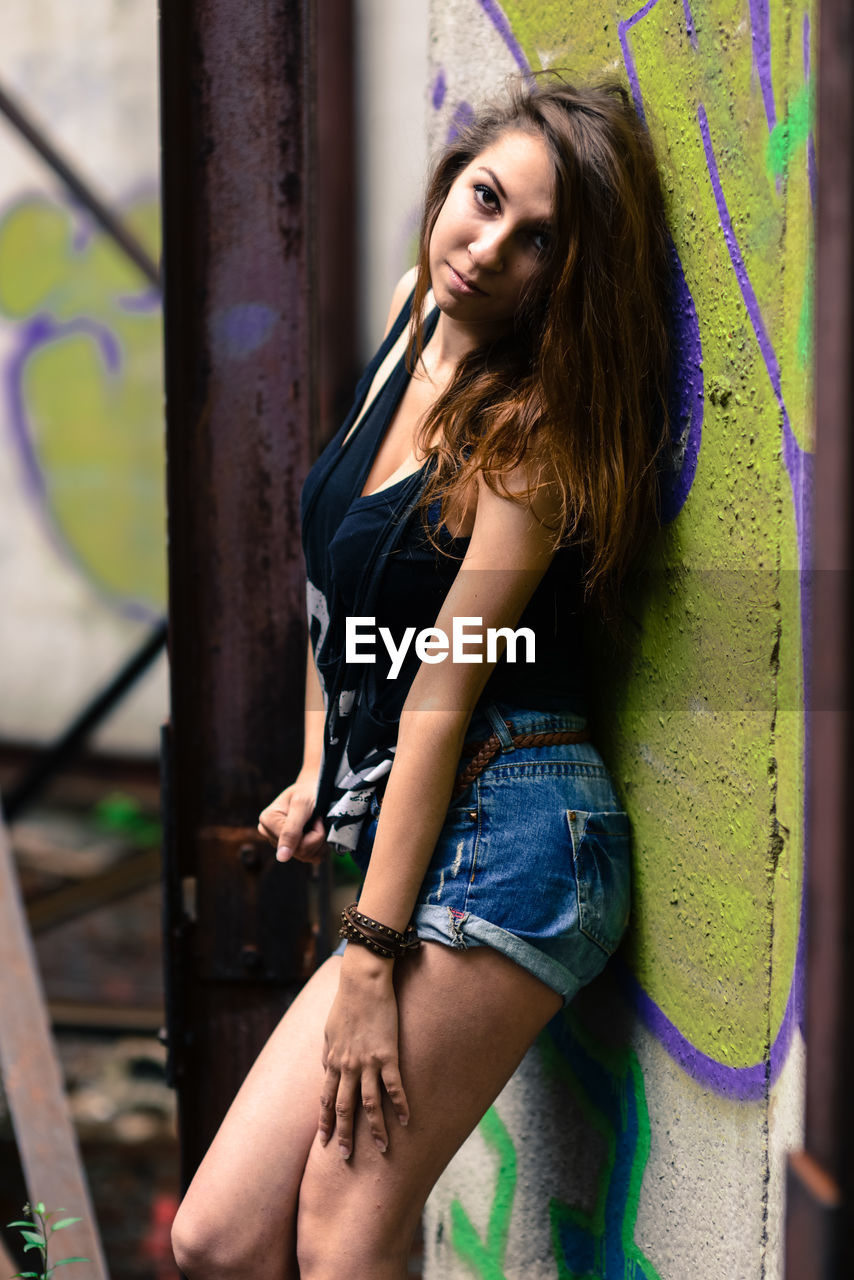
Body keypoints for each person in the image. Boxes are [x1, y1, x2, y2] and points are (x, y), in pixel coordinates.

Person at [171, 72, 671, 1280]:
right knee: (219, 1235)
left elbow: (443, 692)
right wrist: (314, 764)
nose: (485, 248)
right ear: (450, 182)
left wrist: (365, 951)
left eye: (535, 240)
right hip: (424, 807)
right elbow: (339, 577)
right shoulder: (412, 315)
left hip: (516, 831)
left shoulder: (531, 437)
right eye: (482, 198)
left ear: (569, 276)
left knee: (341, 1246)